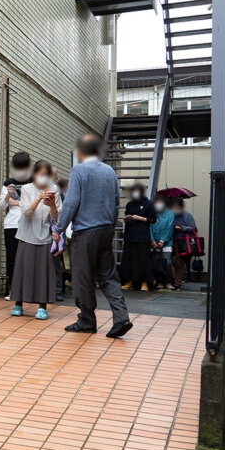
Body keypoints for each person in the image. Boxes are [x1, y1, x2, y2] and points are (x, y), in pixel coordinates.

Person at [54, 134, 133, 338]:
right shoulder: (109, 172)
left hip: (85, 231)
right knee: (108, 275)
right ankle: (121, 317)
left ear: (80, 152)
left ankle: (87, 320)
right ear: (97, 151)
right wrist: (110, 223)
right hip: (106, 229)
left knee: (82, 276)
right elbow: (117, 202)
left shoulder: (79, 170)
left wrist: (58, 229)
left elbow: (71, 203)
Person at [9, 160, 62, 320]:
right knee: (22, 270)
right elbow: (27, 212)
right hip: (26, 235)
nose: (43, 178)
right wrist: (39, 197)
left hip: (45, 236)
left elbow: (56, 217)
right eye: (40, 174)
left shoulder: (55, 191)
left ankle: (42, 306)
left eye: (46, 175)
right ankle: (18, 303)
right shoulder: (26, 188)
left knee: (43, 272)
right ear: (34, 174)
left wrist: (52, 205)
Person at [0, 152, 33, 298]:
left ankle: (27, 290)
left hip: (28, 224)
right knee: (12, 258)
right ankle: (12, 290)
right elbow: (2, 205)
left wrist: (17, 202)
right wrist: (8, 195)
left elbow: (35, 203)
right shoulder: (8, 183)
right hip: (11, 224)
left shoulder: (34, 182)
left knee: (28, 258)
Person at [119, 183, 156, 291]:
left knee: (143, 260)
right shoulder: (130, 204)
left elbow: (153, 220)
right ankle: (129, 281)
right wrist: (127, 218)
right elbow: (126, 215)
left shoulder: (148, 204)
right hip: (130, 235)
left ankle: (145, 282)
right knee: (129, 259)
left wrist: (140, 218)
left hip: (142, 236)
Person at [171, 198, 197, 290]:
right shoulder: (170, 215)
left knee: (179, 263)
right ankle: (172, 280)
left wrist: (181, 228)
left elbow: (193, 228)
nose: (175, 208)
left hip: (181, 242)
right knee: (169, 262)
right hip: (170, 240)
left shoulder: (187, 216)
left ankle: (177, 283)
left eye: (176, 206)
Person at [150, 195, 175, 289]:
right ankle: (159, 282)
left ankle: (168, 282)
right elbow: (149, 226)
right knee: (156, 263)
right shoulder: (152, 213)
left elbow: (170, 228)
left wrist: (162, 241)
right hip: (153, 243)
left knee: (167, 262)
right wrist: (152, 240)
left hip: (166, 243)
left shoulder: (170, 214)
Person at [55, 177, 70, 300]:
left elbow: (63, 212)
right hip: (56, 230)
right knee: (58, 262)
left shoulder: (60, 194)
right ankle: (58, 291)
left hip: (57, 230)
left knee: (58, 261)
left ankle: (59, 291)